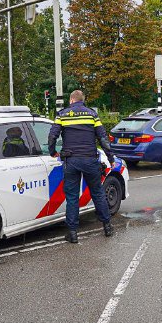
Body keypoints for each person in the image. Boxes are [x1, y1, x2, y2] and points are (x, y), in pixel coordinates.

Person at [48, 89, 115, 243]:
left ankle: (72, 233)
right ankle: (107, 227)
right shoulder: (92, 115)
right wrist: (110, 157)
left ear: (71, 100)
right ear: (82, 100)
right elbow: (103, 138)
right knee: (98, 193)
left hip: (71, 161)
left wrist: (53, 152)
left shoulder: (62, 114)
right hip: (90, 160)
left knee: (72, 198)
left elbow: (52, 136)